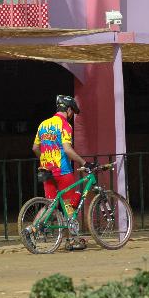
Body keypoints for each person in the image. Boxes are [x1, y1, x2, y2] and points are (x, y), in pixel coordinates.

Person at [32, 95, 94, 250]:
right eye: (72, 111)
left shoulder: (43, 124)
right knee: (69, 205)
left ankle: (31, 230)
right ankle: (72, 240)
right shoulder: (65, 125)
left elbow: (35, 148)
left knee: (50, 205)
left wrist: (45, 159)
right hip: (63, 170)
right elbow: (67, 149)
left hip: (46, 170)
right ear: (68, 109)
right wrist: (84, 162)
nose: (72, 114)